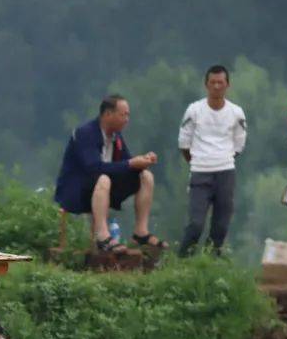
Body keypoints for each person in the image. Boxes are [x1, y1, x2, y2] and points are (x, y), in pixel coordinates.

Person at [54, 94, 167, 254]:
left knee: (145, 176)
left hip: (103, 189)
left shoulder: (116, 136)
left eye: (128, 115)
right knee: (104, 178)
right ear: (107, 114)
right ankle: (103, 236)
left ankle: (141, 232)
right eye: (123, 115)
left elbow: (126, 163)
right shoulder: (84, 133)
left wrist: (142, 161)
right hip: (78, 191)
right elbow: (94, 168)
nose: (127, 119)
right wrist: (130, 163)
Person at [177, 65, 248, 256]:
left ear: (227, 85)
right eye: (213, 82)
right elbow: (184, 142)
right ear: (206, 85)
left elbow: (239, 144)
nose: (216, 86)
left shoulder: (236, 113)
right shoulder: (194, 110)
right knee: (196, 223)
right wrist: (197, 161)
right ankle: (182, 262)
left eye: (220, 82)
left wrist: (223, 158)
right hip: (200, 171)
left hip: (225, 172)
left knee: (221, 225)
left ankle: (210, 263)